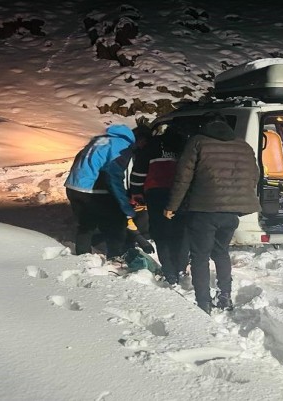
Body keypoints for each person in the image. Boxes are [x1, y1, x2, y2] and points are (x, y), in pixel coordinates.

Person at [164, 112, 261, 314]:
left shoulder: (198, 142)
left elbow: (183, 177)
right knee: (221, 252)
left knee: (200, 256)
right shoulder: (243, 145)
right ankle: (224, 295)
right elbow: (254, 175)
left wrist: (172, 206)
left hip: (204, 209)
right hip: (232, 212)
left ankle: (203, 302)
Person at [64, 123, 149, 258]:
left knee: (86, 224)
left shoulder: (99, 140)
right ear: (141, 139)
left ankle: (83, 258)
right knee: (115, 224)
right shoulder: (123, 146)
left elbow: (79, 158)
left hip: (74, 186)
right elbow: (113, 176)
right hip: (94, 189)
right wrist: (125, 205)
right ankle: (116, 257)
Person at [129, 123, 188, 285]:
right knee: (180, 232)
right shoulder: (185, 145)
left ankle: (169, 272)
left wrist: (136, 192)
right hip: (180, 194)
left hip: (156, 194)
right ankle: (181, 269)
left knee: (161, 234)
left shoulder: (152, 145)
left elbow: (138, 173)